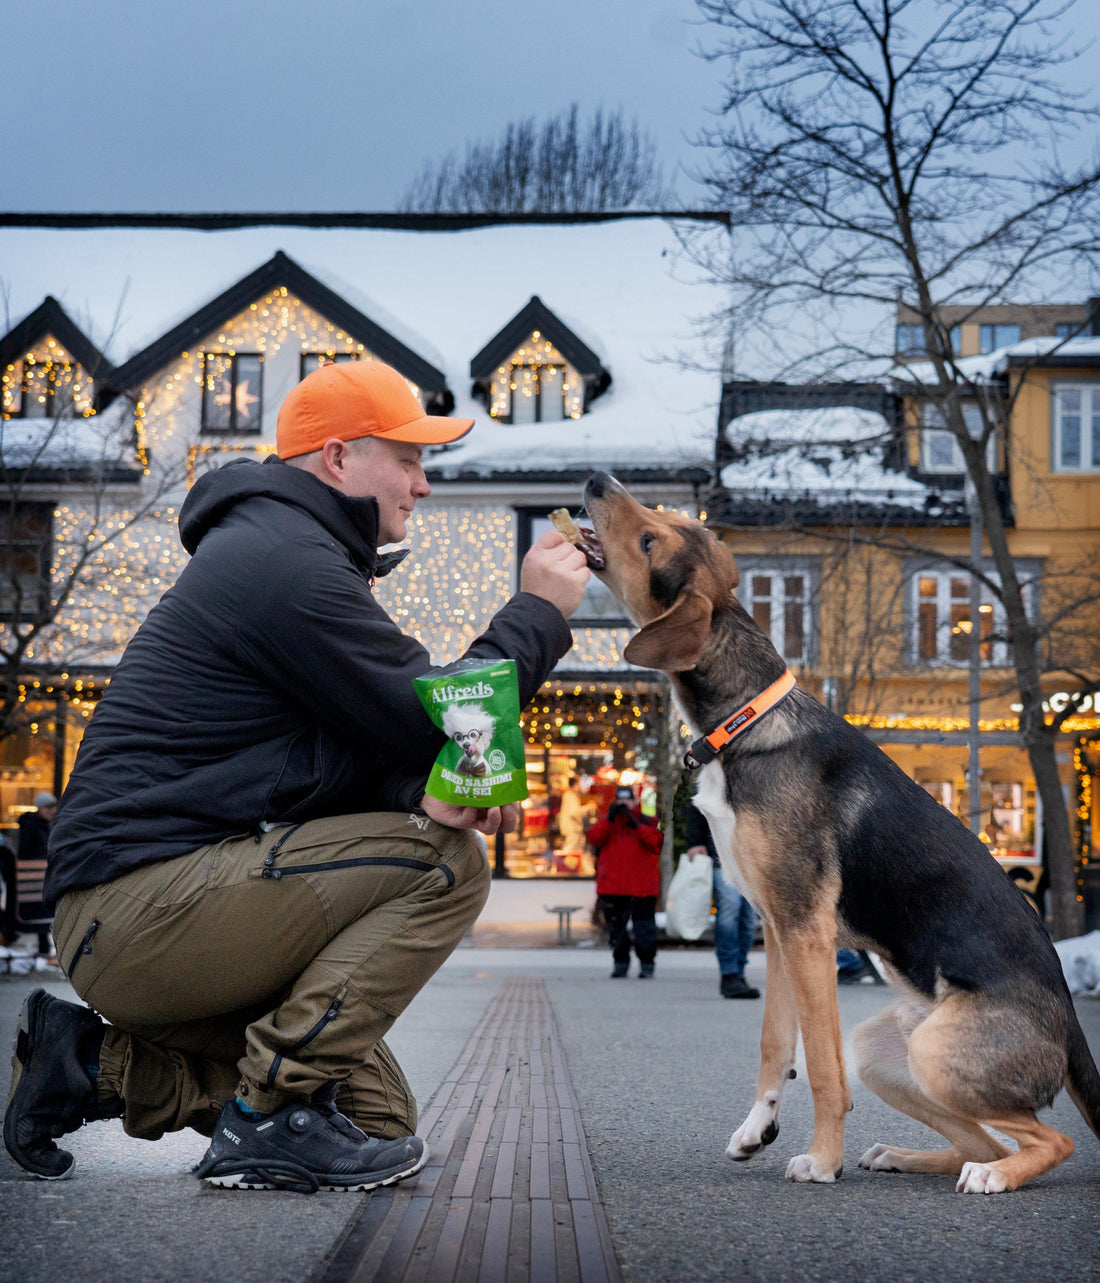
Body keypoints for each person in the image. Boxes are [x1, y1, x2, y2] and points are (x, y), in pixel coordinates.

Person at [3, 358, 589, 1192]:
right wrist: (537, 610)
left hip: (155, 913)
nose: (422, 485)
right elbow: (453, 717)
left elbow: (324, 758)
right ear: (341, 459)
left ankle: (90, 1064)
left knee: (377, 1120)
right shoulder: (284, 562)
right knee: (443, 862)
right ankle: (265, 1118)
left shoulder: (283, 549)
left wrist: (408, 789)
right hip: (137, 911)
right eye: (409, 459)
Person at [683, 803, 759, 999]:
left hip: (750, 859)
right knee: (729, 911)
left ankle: (739, 973)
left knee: (748, 920)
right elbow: (698, 804)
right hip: (721, 856)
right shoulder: (717, 773)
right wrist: (695, 841)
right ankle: (729, 974)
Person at [588, 785, 663, 978]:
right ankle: (620, 962)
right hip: (613, 886)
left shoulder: (647, 821)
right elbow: (594, 838)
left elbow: (656, 842)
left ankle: (647, 964)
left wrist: (636, 825)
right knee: (616, 929)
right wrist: (610, 818)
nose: (624, 805)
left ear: (634, 802)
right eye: (620, 802)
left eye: (627, 801)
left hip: (642, 887)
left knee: (644, 929)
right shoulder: (607, 822)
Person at [14, 791, 57, 957]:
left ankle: (44, 949)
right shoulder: (32, 827)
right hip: (33, 886)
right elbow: (24, 855)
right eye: (48, 808)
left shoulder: (45, 826)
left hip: (39, 884)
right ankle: (44, 949)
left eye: (53, 808)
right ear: (39, 808)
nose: (52, 811)